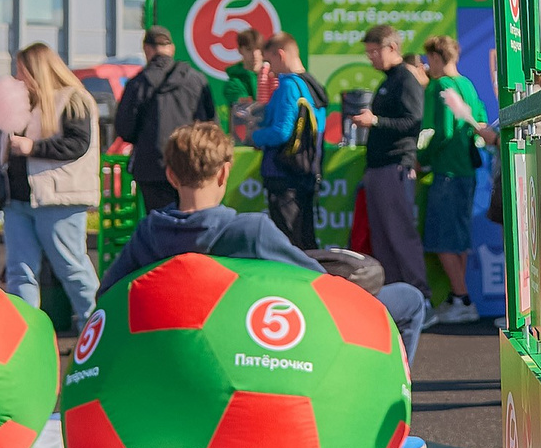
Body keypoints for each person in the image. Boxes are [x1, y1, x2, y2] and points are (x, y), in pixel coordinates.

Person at [103, 122, 427, 362]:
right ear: (223, 173)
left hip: (183, 353)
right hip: (263, 346)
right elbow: (324, 287)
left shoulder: (148, 235)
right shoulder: (250, 232)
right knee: (409, 300)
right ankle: (392, 418)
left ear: (171, 176)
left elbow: (105, 297)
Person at [0, 43, 100, 334]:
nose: (17, 76)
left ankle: (96, 331)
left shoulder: (74, 99)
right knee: (19, 272)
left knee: (71, 267)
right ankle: (25, 335)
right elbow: (12, 149)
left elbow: (78, 144)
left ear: (38, 69)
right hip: (18, 199)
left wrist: (33, 147)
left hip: (58, 199)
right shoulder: (25, 101)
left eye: (22, 70)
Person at [353, 23, 428, 294]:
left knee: (400, 236)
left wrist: (375, 120)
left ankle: (419, 295)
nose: (371, 57)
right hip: (379, 167)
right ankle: (396, 295)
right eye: (368, 53)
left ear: (392, 48)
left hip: (395, 166)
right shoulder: (389, 80)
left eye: (374, 51)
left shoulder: (405, 79)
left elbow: (413, 122)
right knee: (383, 239)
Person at [109, 26, 214, 215]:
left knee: (160, 225)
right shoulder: (196, 80)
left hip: (151, 169)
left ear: (147, 50)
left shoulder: (137, 84)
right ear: (171, 48)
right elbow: (210, 126)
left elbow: (124, 128)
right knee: (191, 221)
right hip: (190, 165)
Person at [420, 34, 487, 325]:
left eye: (429, 59)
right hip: (467, 172)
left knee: (444, 241)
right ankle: (459, 296)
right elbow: (480, 121)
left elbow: (441, 132)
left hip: (447, 172)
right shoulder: (468, 85)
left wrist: (422, 158)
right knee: (457, 239)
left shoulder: (441, 86)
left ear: (437, 57)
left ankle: (462, 298)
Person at [247, 32, 329, 249]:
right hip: (307, 171)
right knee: (306, 238)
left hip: (284, 175)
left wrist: (255, 136)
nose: (269, 68)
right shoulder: (312, 85)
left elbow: (281, 132)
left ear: (280, 55)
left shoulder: (288, 86)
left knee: (288, 242)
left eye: (269, 61)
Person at [220, 30, 266, 135]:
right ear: (240, 50)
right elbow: (247, 114)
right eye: (249, 49)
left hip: (272, 143)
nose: (255, 54)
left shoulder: (275, 78)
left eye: (258, 49)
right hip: (245, 145)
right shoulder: (233, 84)